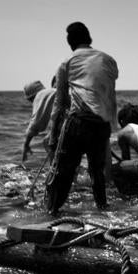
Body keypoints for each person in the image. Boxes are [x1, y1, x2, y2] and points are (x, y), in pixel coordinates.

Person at [45, 22, 118, 213]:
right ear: (89, 38)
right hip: (102, 124)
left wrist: (53, 138)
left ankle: (51, 213)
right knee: (97, 173)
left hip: (77, 123)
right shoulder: (109, 60)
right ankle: (103, 211)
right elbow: (107, 91)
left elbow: (59, 104)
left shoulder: (66, 63)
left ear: (70, 42)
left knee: (64, 172)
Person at [21, 80, 56, 163]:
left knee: (48, 141)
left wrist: (26, 145)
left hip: (73, 120)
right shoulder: (52, 92)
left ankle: (55, 171)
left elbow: (36, 122)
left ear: (32, 96)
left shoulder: (40, 95)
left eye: (30, 100)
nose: (32, 103)